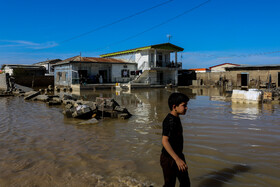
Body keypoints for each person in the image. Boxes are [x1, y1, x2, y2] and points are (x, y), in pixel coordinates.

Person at [160, 92, 190, 187]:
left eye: (186, 105)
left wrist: (179, 158)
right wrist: (177, 159)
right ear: (174, 107)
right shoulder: (169, 121)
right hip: (169, 158)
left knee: (185, 183)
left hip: (178, 155)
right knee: (170, 184)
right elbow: (165, 141)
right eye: (183, 105)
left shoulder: (176, 118)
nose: (186, 108)